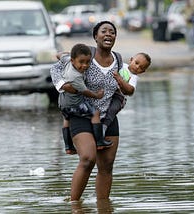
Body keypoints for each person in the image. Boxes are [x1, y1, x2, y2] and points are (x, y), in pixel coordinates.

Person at [50, 20, 126, 201]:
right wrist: (63, 85)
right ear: (95, 37)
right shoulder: (85, 54)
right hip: (81, 113)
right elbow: (56, 67)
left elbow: (124, 87)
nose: (108, 34)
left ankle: (103, 207)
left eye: (112, 32)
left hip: (107, 117)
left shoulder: (119, 60)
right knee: (87, 158)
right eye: (104, 31)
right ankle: (75, 206)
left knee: (106, 165)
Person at [55, 43, 113, 153]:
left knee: (66, 119)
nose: (85, 66)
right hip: (75, 105)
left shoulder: (67, 60)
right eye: (81, 62)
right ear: (73, 61)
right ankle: (100, 141)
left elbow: (58, 55)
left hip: (63, 103)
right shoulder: (75, 76)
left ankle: (68, 147)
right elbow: (85, 92)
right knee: (95, 113)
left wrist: (65, 54)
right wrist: (97, 95)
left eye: (88, 62)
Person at [102, 52, 151, 135]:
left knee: (113, 109)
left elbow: (131, 90)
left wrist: (120, 79)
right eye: (136, 63)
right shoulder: (121, 65)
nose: (137, 67)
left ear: (142, 71)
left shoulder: (133, 77)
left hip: (119, 96)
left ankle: (104, 126)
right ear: (131, 60)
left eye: (141, 67)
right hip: (109, 90)